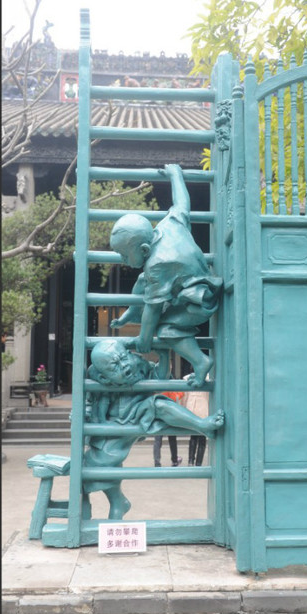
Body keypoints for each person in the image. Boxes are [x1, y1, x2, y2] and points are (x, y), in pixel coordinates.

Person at [84, 339, 224, 519]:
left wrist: (164, 354)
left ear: (128, 354)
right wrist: (83, 414)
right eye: (114, 367)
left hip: (139, 411)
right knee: (99, 461)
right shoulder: (96, 376)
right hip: (113, 422)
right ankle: (117, 502)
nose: (124, 366)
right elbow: (91, 404)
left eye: (123, 358)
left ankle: (201, 425)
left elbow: (160, 377)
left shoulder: (138, 364)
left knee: (160, 405)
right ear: (103, 377)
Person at [109, 164, 222, 387]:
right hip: (195, 288)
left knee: (167, 329)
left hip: (199, 301)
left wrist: (144, 338)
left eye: (124, 255)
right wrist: (175, 175)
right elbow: (182, 203)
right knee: (143, 282)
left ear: (143, 250)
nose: (122, 261)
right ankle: (131, 314)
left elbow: (151, 310)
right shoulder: (169, 224)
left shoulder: (156, 266)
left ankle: (200, 362)